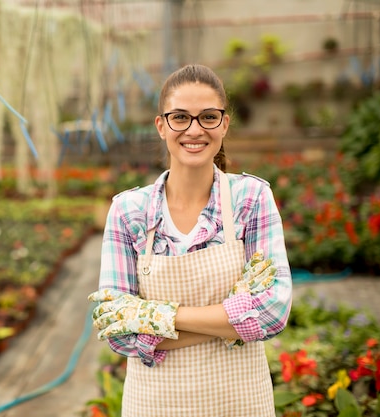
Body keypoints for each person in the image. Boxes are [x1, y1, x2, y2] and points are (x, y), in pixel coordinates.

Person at [88, 64, 292, 417]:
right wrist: (232, 323)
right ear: (162, 125)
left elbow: (272, 312)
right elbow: (118, 331)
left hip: (240, 403)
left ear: (224, 124)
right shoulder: (128, 211)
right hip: (154, 404)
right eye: (180, 117)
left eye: (208, 117)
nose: (194, 130)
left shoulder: (251, 198)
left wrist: (150, 315)